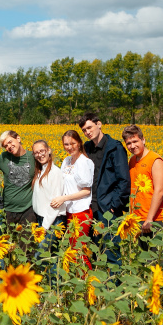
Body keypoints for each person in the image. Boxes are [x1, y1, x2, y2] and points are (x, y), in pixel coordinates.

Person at [79, 113, 130, 269]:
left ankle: (114, 289)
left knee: (111, 252)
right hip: (90, 207)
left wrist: (114, 205)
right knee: (94, 251)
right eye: (84, 130)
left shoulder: (115, 147)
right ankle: (99, 289)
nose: (87, 132)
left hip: (108, 209)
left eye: (89, 127)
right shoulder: (86, 148)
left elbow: (124, 180)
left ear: (99, 124)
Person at [51, 131, 94, 271]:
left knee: (79, 251)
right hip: (69, 211)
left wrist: (64, 198)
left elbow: (86, 190)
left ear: (79, 143)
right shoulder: (67, 161)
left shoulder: (85, 162)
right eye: (66, 144)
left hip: (81, 211)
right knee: (73, 249)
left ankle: (90, 284)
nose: (69, 147)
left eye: (72, 143)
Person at [122, 125, 163, 251]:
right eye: (128, 143)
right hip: (137, 218)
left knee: (154, 260)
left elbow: (159, 191)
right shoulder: (132, 161)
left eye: (135, 141)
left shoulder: (155, 160)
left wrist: (149, 218)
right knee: (142, 259)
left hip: (153, 219)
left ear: (143, 140)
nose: (132, 146)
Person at [0, 130, 36, 254]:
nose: (8, 147)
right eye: (5, 146)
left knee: (27, 247)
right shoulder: (3, 158)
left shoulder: (33, 157)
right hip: (8, 209)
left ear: (18, 138)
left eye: (10, 142)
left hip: (28, 209)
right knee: (9, 248)